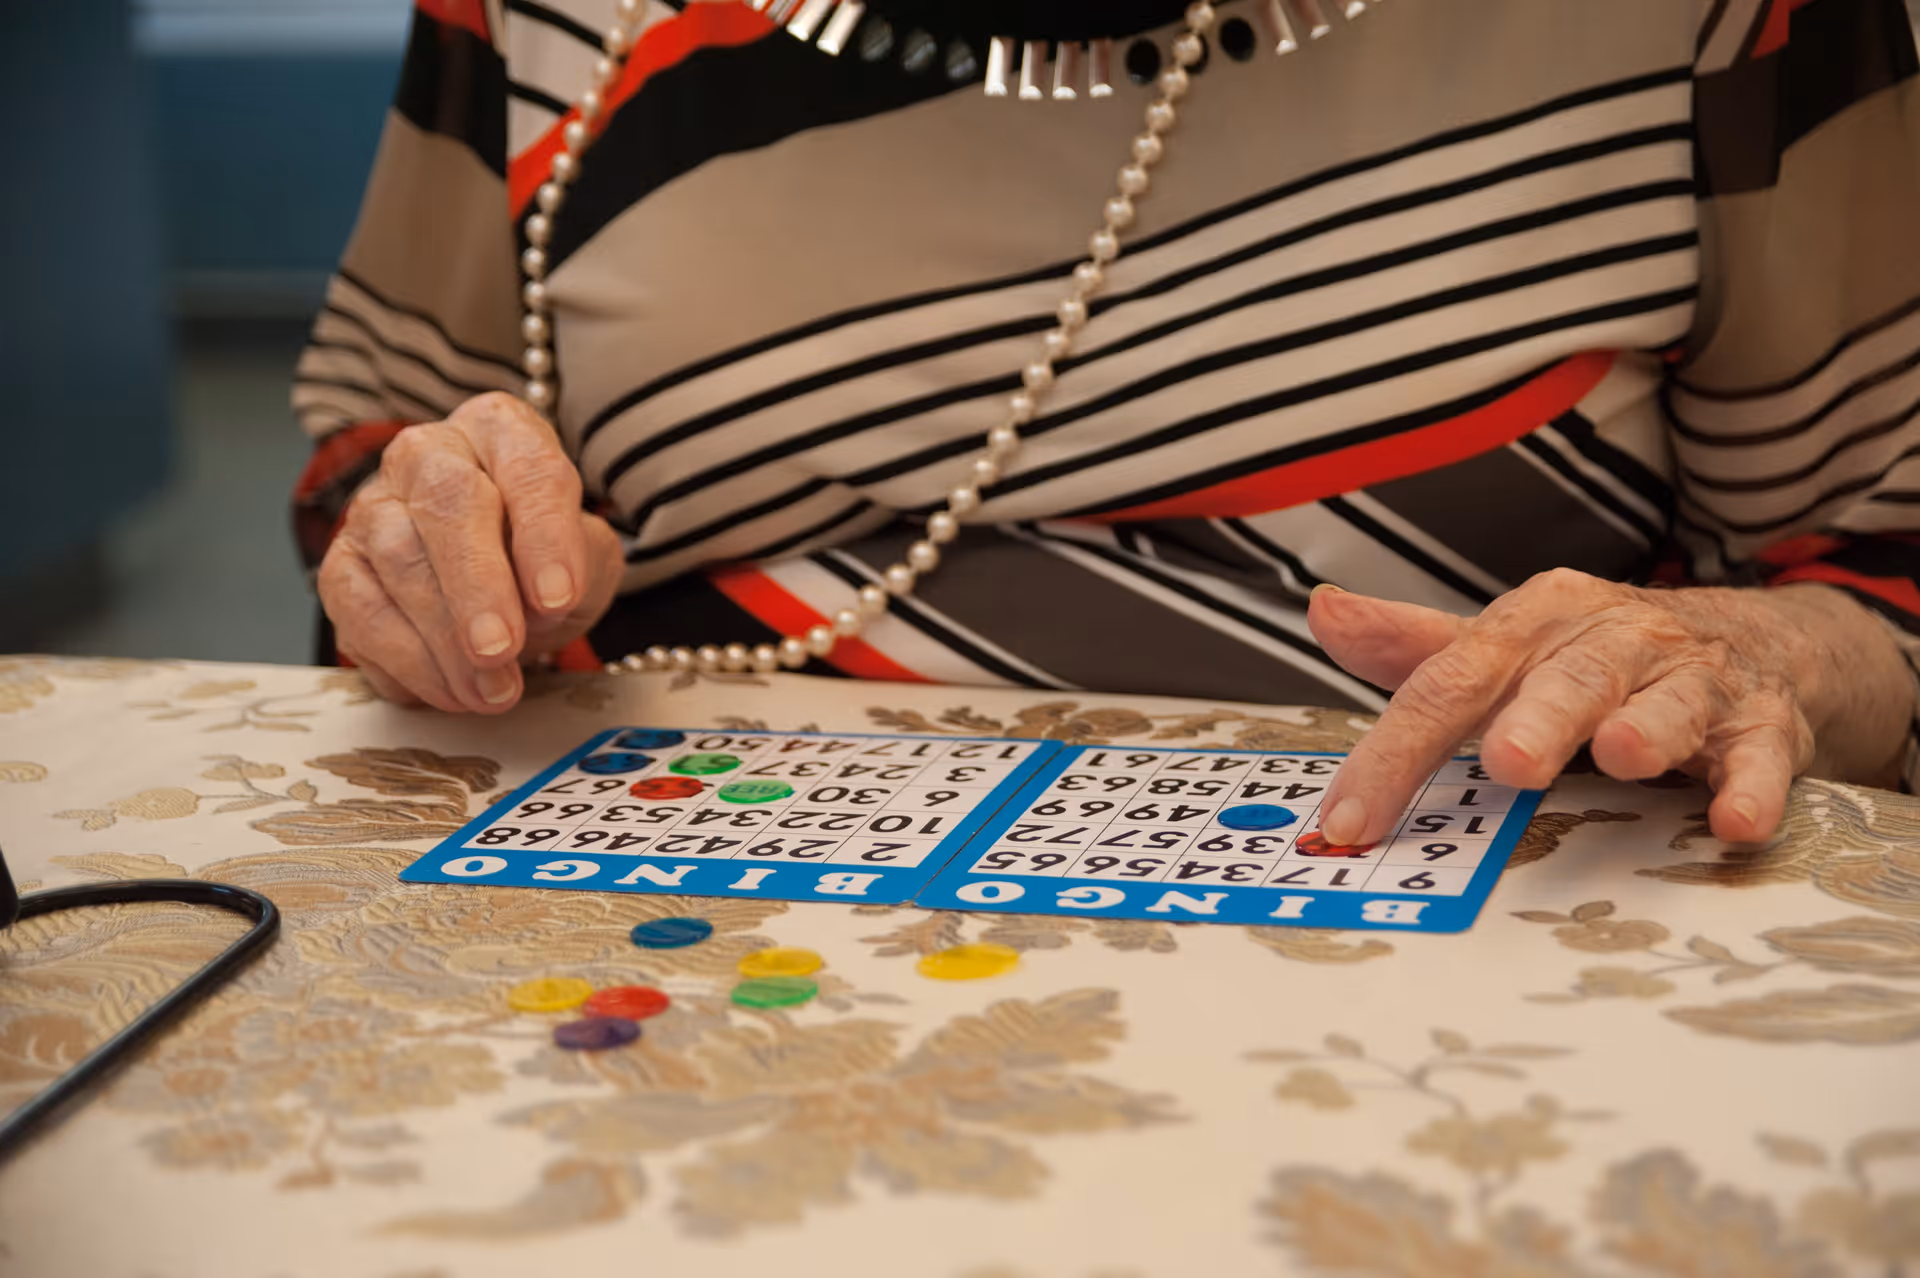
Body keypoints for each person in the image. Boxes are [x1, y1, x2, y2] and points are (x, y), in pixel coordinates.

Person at [293, 0, 1920, 850]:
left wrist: (1746, 649)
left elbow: (1885, 573)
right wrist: (419, 537)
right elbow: (374, 442)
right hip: (630, 940)